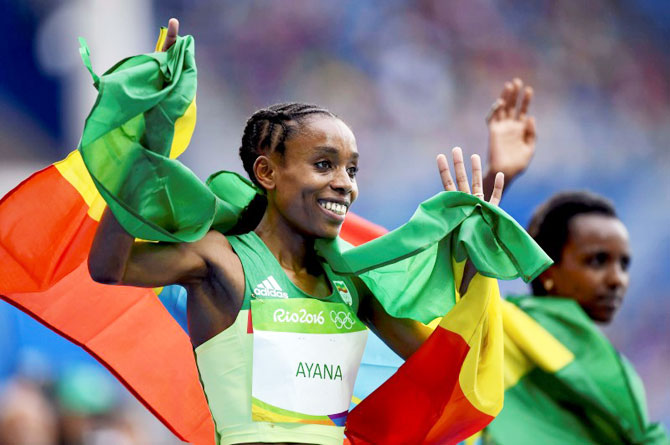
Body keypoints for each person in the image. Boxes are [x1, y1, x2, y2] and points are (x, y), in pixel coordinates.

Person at [87, 18, 511, 445]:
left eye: (352, 169)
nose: (345, 182)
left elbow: (445, 369)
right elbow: (110, 266)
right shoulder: (222, 260)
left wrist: (476, 264)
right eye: (324, 164)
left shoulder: (352, 283)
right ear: (267, 172)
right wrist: (149, 145)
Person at [477, 79, 669, 444]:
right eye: (597, 261)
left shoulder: (614, 372)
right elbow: (453, 273)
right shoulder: (504, 330)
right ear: (548, 271)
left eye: (623, 264)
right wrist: (496, 177)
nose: (617, 280)